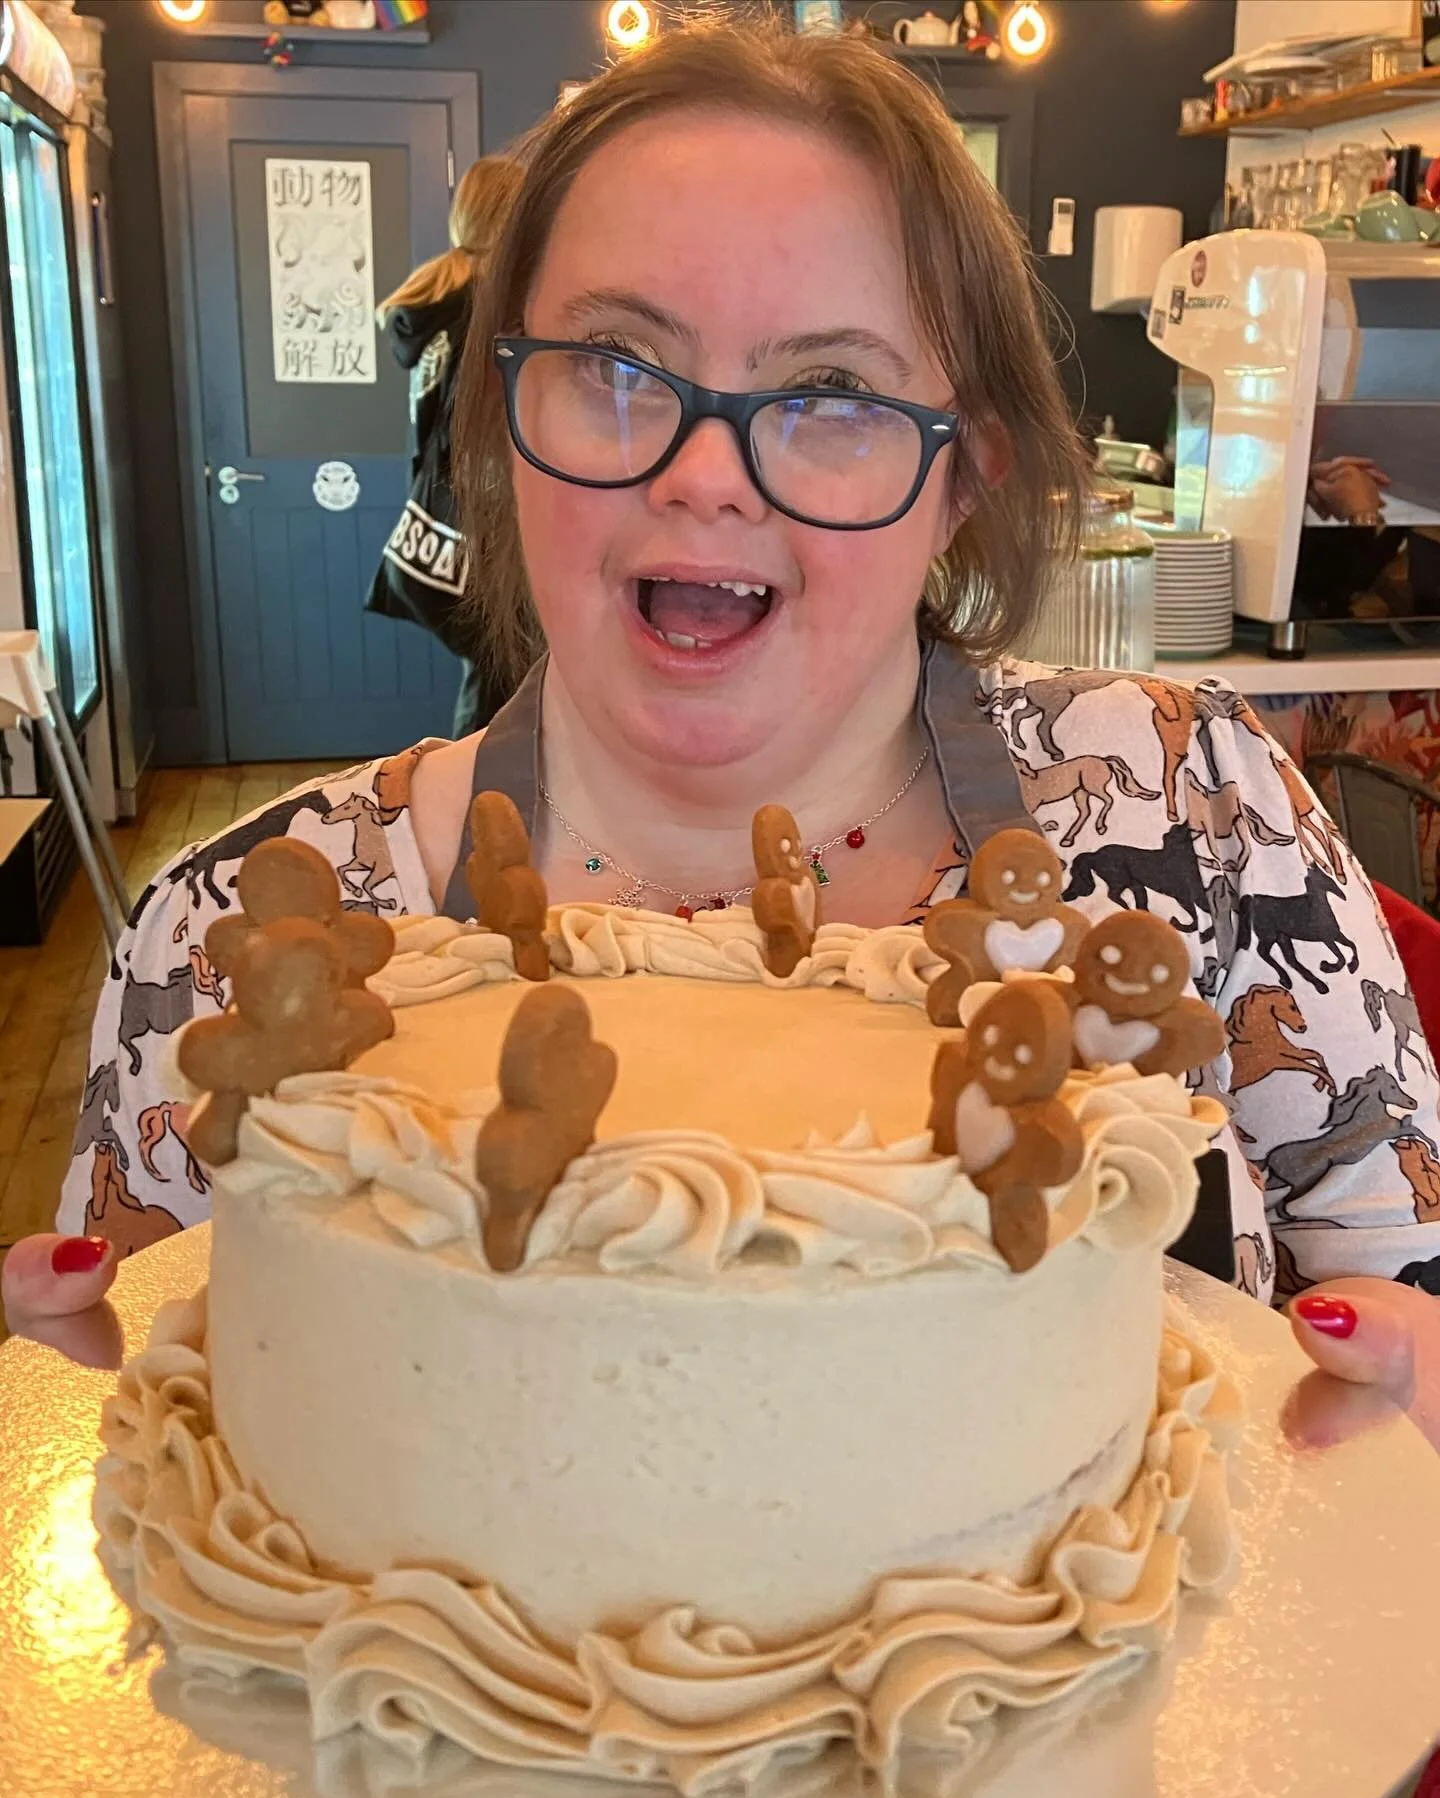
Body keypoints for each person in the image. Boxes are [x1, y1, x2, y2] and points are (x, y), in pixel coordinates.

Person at [12, 17, 1436, 1452]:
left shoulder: (1198, 801)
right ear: (501, 417)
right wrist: (74, 1438)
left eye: (831, 396)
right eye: (618, 365)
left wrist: (1402, 1392)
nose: (704, 476)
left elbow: (1412, 1318)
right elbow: (147, 1456)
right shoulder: (225, 945)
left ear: (965, 478)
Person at [367, 154, 523, 738]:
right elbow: (485, 443)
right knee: (498, 698)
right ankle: (478, 818)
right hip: (487, 536)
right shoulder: (487, 316)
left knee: (484, 685)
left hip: (438, 532)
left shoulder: (436, 303)